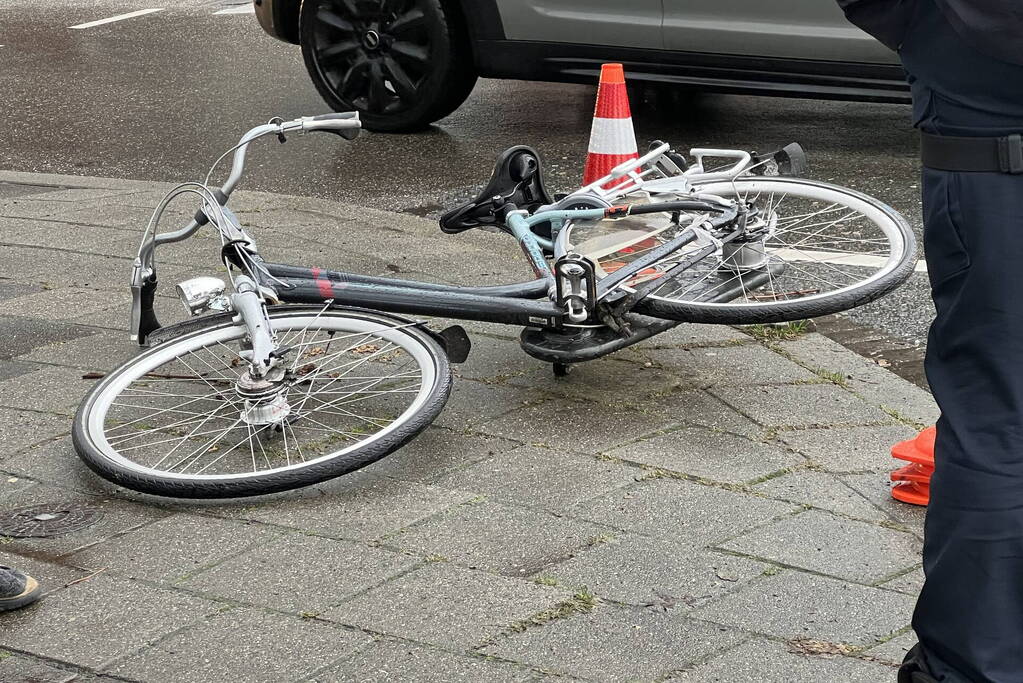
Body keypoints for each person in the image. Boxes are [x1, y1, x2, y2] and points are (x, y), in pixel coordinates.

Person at [836, 1, 1023, 681]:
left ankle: (974, 667)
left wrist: (934, 36)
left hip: (989, 133)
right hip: (986, 122)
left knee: (996, 416)